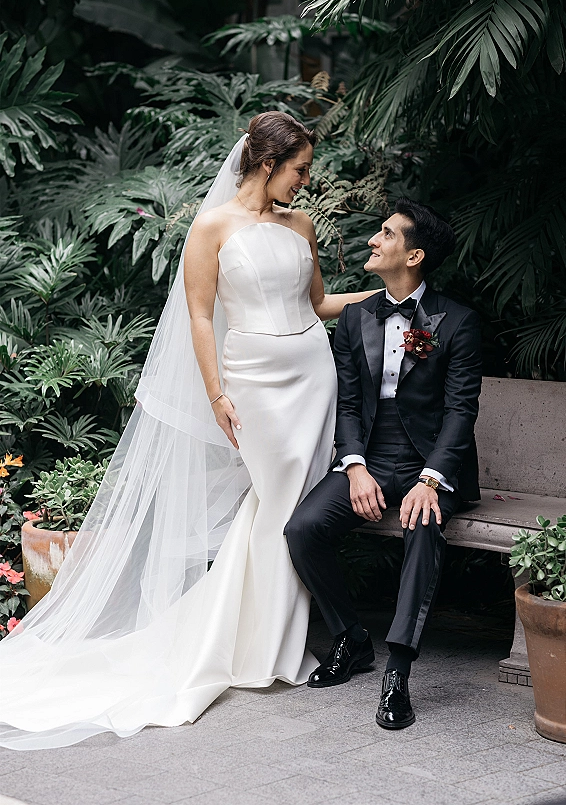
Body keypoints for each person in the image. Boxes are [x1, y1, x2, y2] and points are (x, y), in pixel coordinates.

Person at [0, 112, 376, 751]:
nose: (306, 183)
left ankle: (274, 642)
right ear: (266, 165)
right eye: (299, 170)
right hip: (254, 385)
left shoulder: (300, 225)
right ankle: (250, 643)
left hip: (314, 377)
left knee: (287, 511)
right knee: (274, 509)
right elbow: (200, 318)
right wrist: (217, 395)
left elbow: (318, 305)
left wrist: (389, 294)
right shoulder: (212, 228)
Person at [285, 198, 483, 729]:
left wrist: (431, 479)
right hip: (369, 459)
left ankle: (398, 669)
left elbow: (462, 412)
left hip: (430, 462)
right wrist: (353, 468)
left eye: (387, 234)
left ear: (414, 254)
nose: (374, 239)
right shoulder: (354, 318)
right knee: (302, 528)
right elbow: (348, 402)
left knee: (423, 526)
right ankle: (351, 639)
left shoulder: (457, 321)